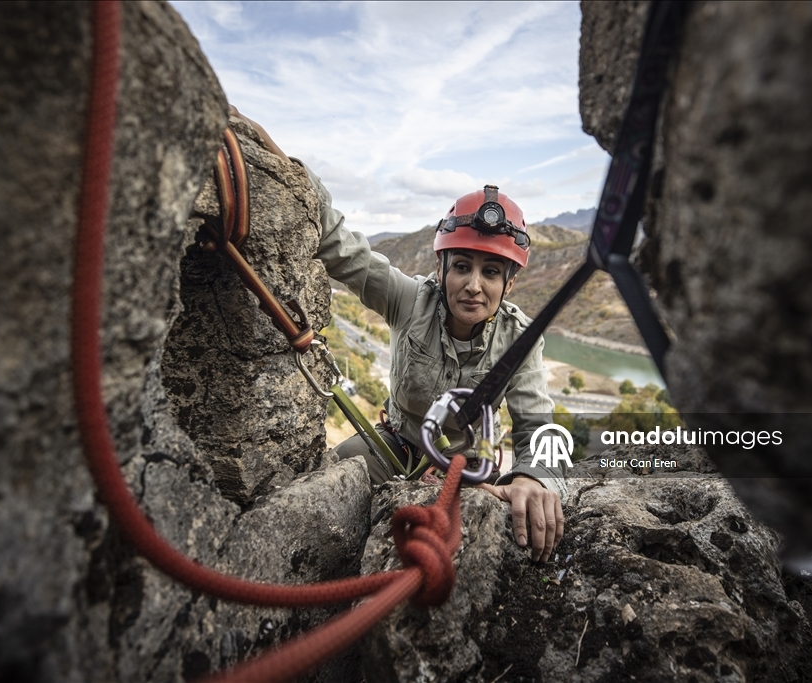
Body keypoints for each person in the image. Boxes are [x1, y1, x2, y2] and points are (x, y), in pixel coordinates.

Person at [231, 108, 565, 562]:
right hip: (394, 447)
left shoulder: (520, 339)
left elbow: (538, 427)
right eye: (462, 267)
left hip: (468, 471)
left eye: (491, 272)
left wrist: (532, 479)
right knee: (317, 492)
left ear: (510, 283)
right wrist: (282, 166)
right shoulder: (409, 301)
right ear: (441, 268)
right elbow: (340, 247)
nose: (473, 285)